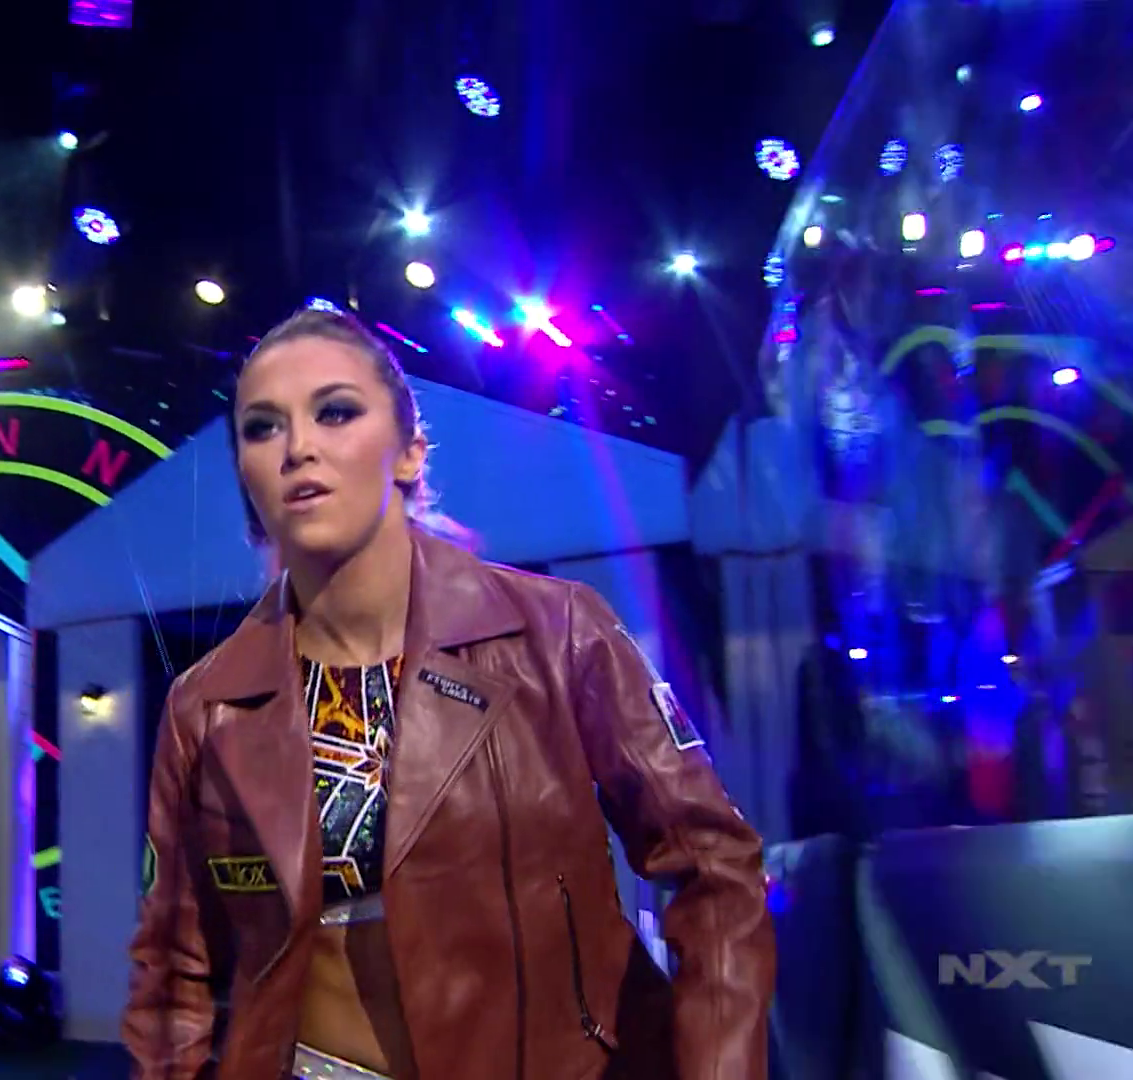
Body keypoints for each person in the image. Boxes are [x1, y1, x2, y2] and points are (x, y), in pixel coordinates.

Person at [123, 308, 775, 1079]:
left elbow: (714, 870)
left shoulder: (558, 633)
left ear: (409, 452)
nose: (298, 448)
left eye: (336, 412)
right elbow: (172, 975)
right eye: (262, 428)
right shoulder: (207, 707)